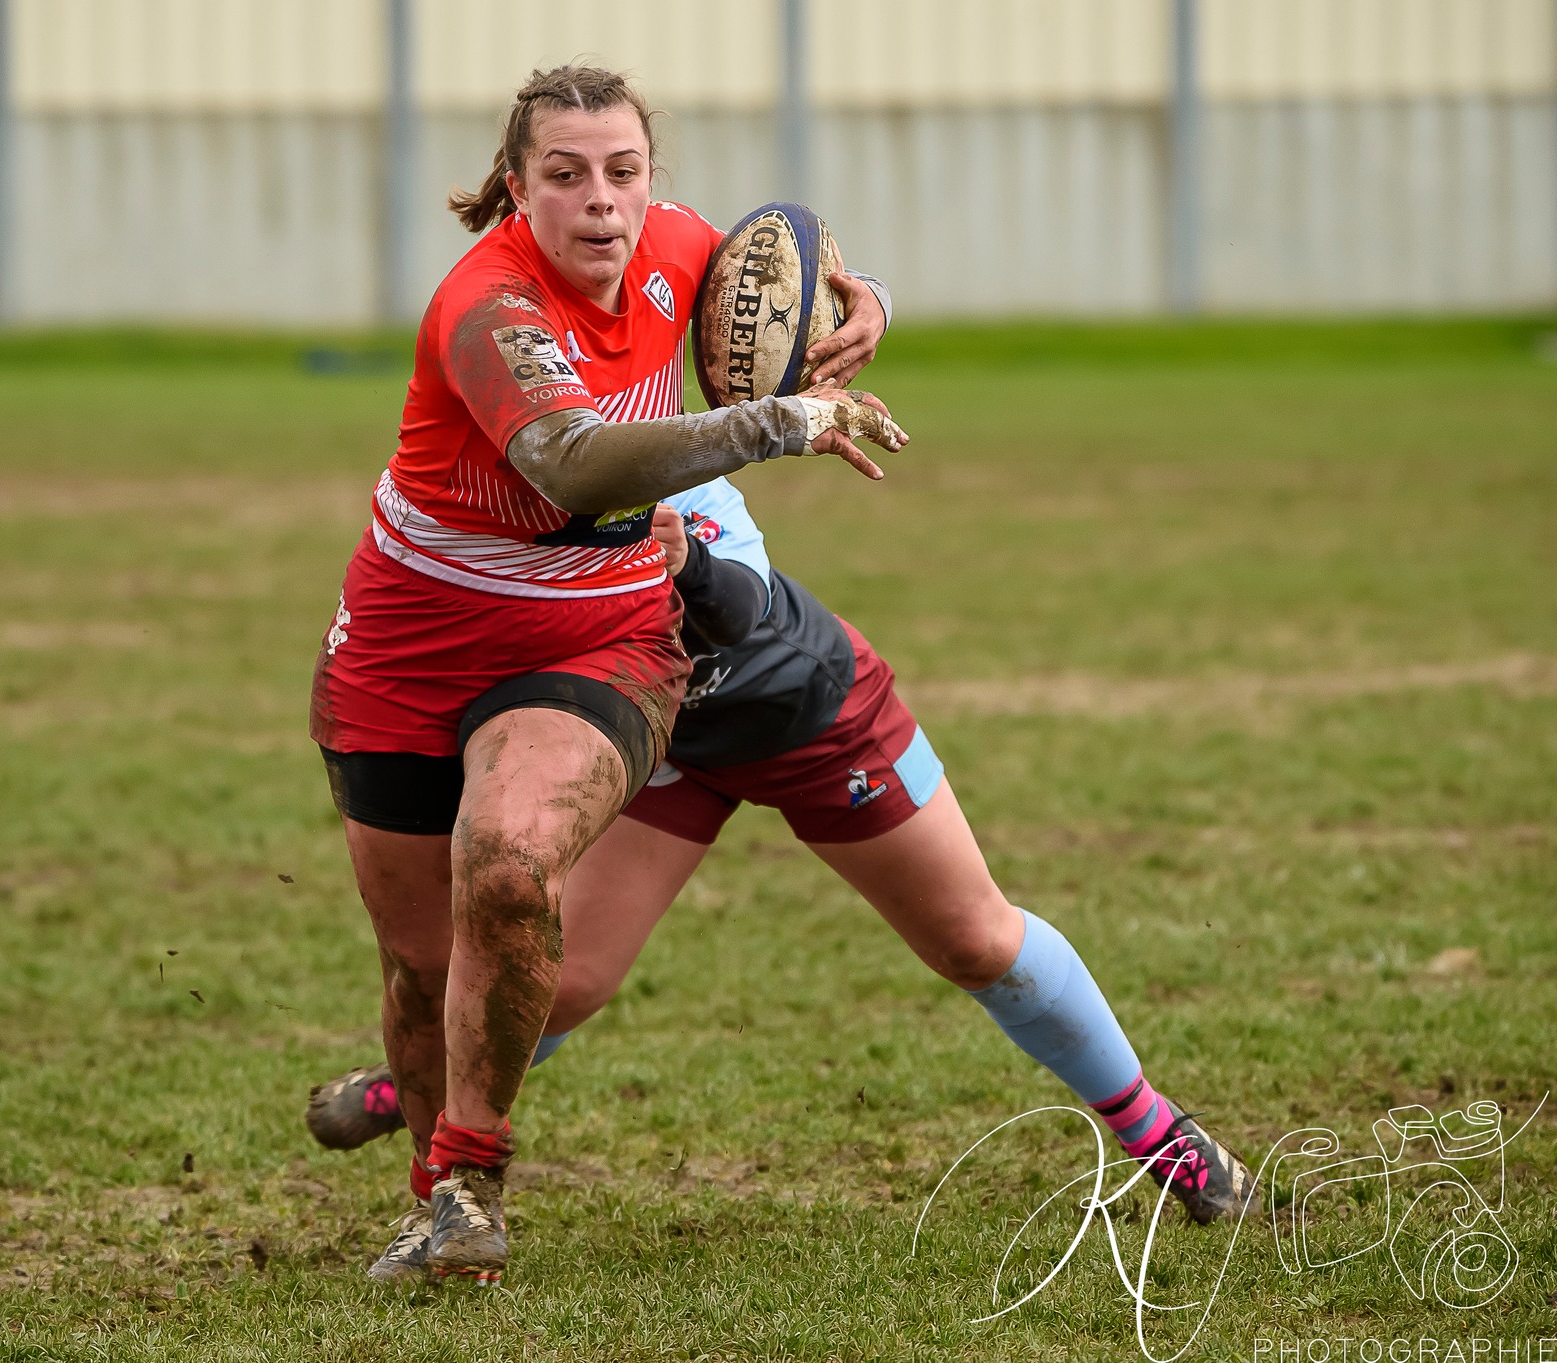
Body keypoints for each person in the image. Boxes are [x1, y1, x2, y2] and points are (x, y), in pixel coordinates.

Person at [309, 473, 1256, 1255]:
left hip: (805, 711)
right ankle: (420, 1086)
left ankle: (1162, 1137)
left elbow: (741, 607)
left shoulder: (662, 468)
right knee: (565, 979)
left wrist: (689, 561)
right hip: (663, 742)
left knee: (975, 938)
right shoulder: (504, 493)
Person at [310, 65, 906, 1285]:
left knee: (511, 861)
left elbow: (787, 270)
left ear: (651, 181)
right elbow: (573, 468)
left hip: (600, 636)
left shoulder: (673, 249)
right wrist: (778, 422)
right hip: (403, 648)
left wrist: (865, 305)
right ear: (514, 192)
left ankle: (467, 1183)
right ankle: (434, 1193)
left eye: (623, 173)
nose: (600, 203)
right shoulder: (486, 306)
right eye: (566, 176)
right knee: (423, 965)